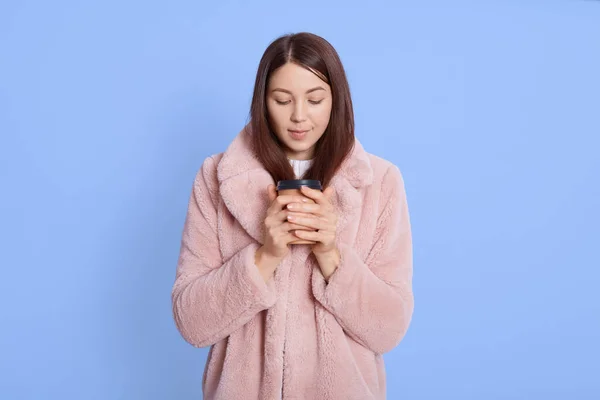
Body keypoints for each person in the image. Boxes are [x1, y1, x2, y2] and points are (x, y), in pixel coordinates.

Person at [171, 32, 414, 400]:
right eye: (282, 100)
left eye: (315, 99)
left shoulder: (379, 183)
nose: (299, 116)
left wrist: (330, 253)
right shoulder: (216, 178)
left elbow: (390, 328)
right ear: (262, 102)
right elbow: (192, 323)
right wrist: (264, 256)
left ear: (336, 100)